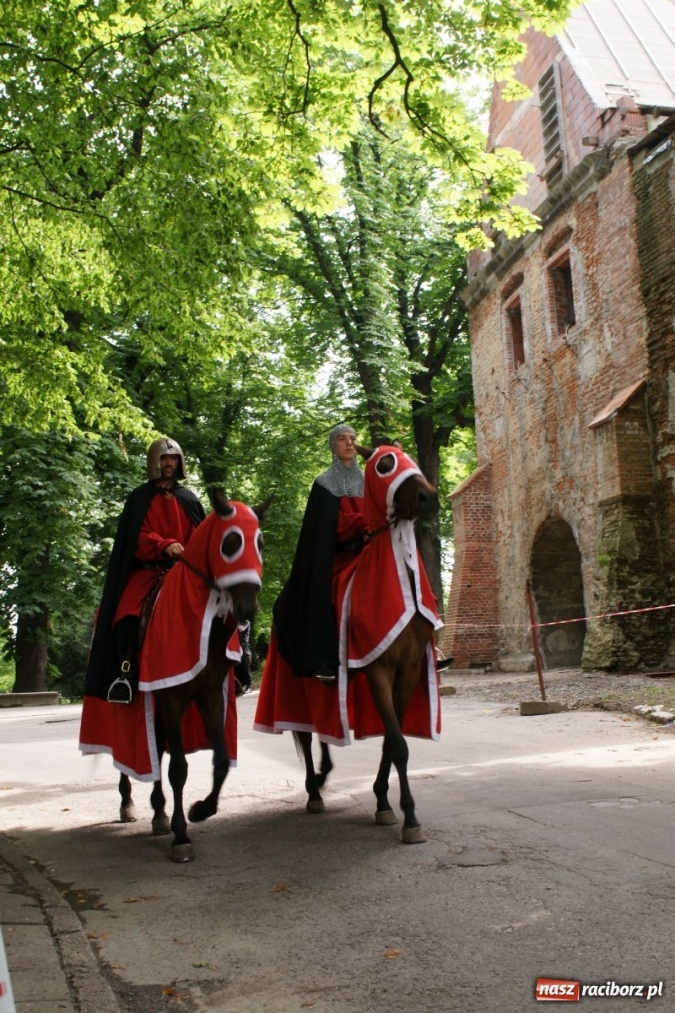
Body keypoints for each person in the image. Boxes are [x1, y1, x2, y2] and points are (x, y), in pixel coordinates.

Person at [84, 437, 205, 705]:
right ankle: (124, 676)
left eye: (173, 459)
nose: (169, 463)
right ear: (154, 462)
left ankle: (235, 670)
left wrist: (189, 549)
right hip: (147, 573)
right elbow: (135, 537)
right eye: (164, 459)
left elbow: (201, 537)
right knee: (125, 619)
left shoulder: (189, 499)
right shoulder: (139, 498)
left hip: (184, 574)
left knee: (222, 612)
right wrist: (164, 544)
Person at [274, 423, 367, 682]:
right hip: (339, 558)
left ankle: (425, 646)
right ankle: (324, 657)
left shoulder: (369, 481)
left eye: (353, 438)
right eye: (342, 439)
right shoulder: (324, 483)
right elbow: (327, 528)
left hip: (371, 553)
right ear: (333, 446)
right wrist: (360, 523)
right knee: (331, 595)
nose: (350, 443)